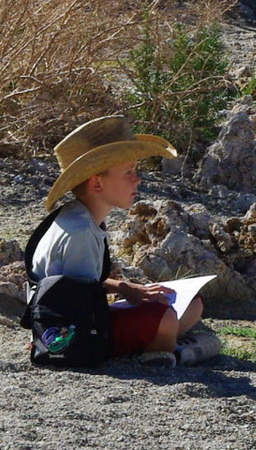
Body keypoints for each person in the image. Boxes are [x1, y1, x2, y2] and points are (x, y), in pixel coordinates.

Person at [30, 115, 220, 368]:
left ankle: (167, 344)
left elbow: (82, 285)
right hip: (77, 333)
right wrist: (131, 295)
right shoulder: (80, 233)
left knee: (192, 303)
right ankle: (171, 349)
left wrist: (126, 289)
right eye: (128, 172)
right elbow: (79, 305)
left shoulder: (80, 218)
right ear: (97, 182)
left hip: (83, 317)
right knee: (163, 317)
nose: (137, 179)